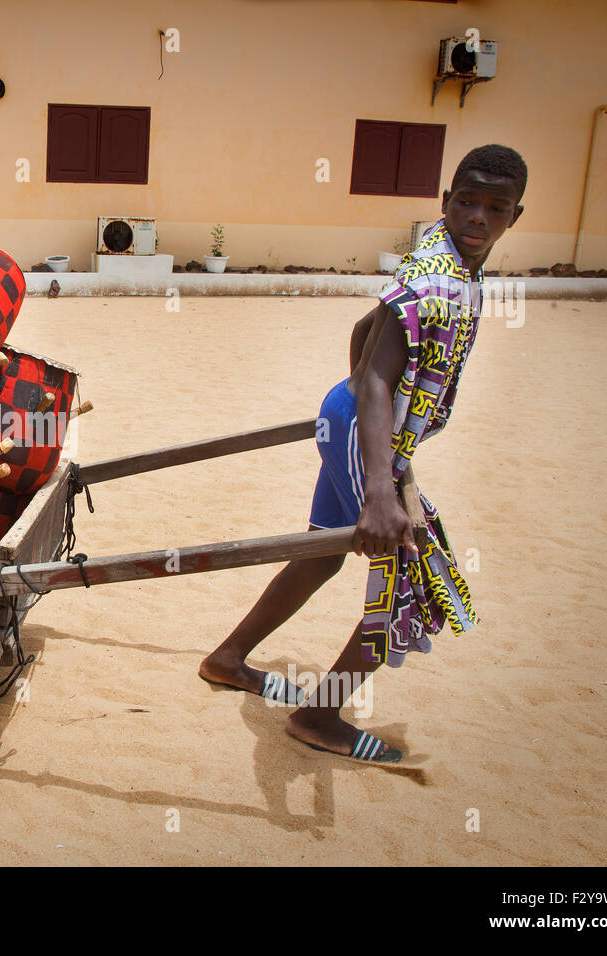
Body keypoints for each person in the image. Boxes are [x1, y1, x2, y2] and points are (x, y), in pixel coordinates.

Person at [200, 144, 527, 763]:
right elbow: (377, 374)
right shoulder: (439, 278)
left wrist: (369, 424)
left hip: (362, 428)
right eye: (467, 202)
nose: (478, 217)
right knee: (416, 581)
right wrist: (380, 480)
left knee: (323, 554)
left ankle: (226, 660)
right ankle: (319, 717)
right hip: (363, 434)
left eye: (495, 207)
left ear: (516, 215)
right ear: (445, 202)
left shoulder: (451, 257)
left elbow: (362, 333)